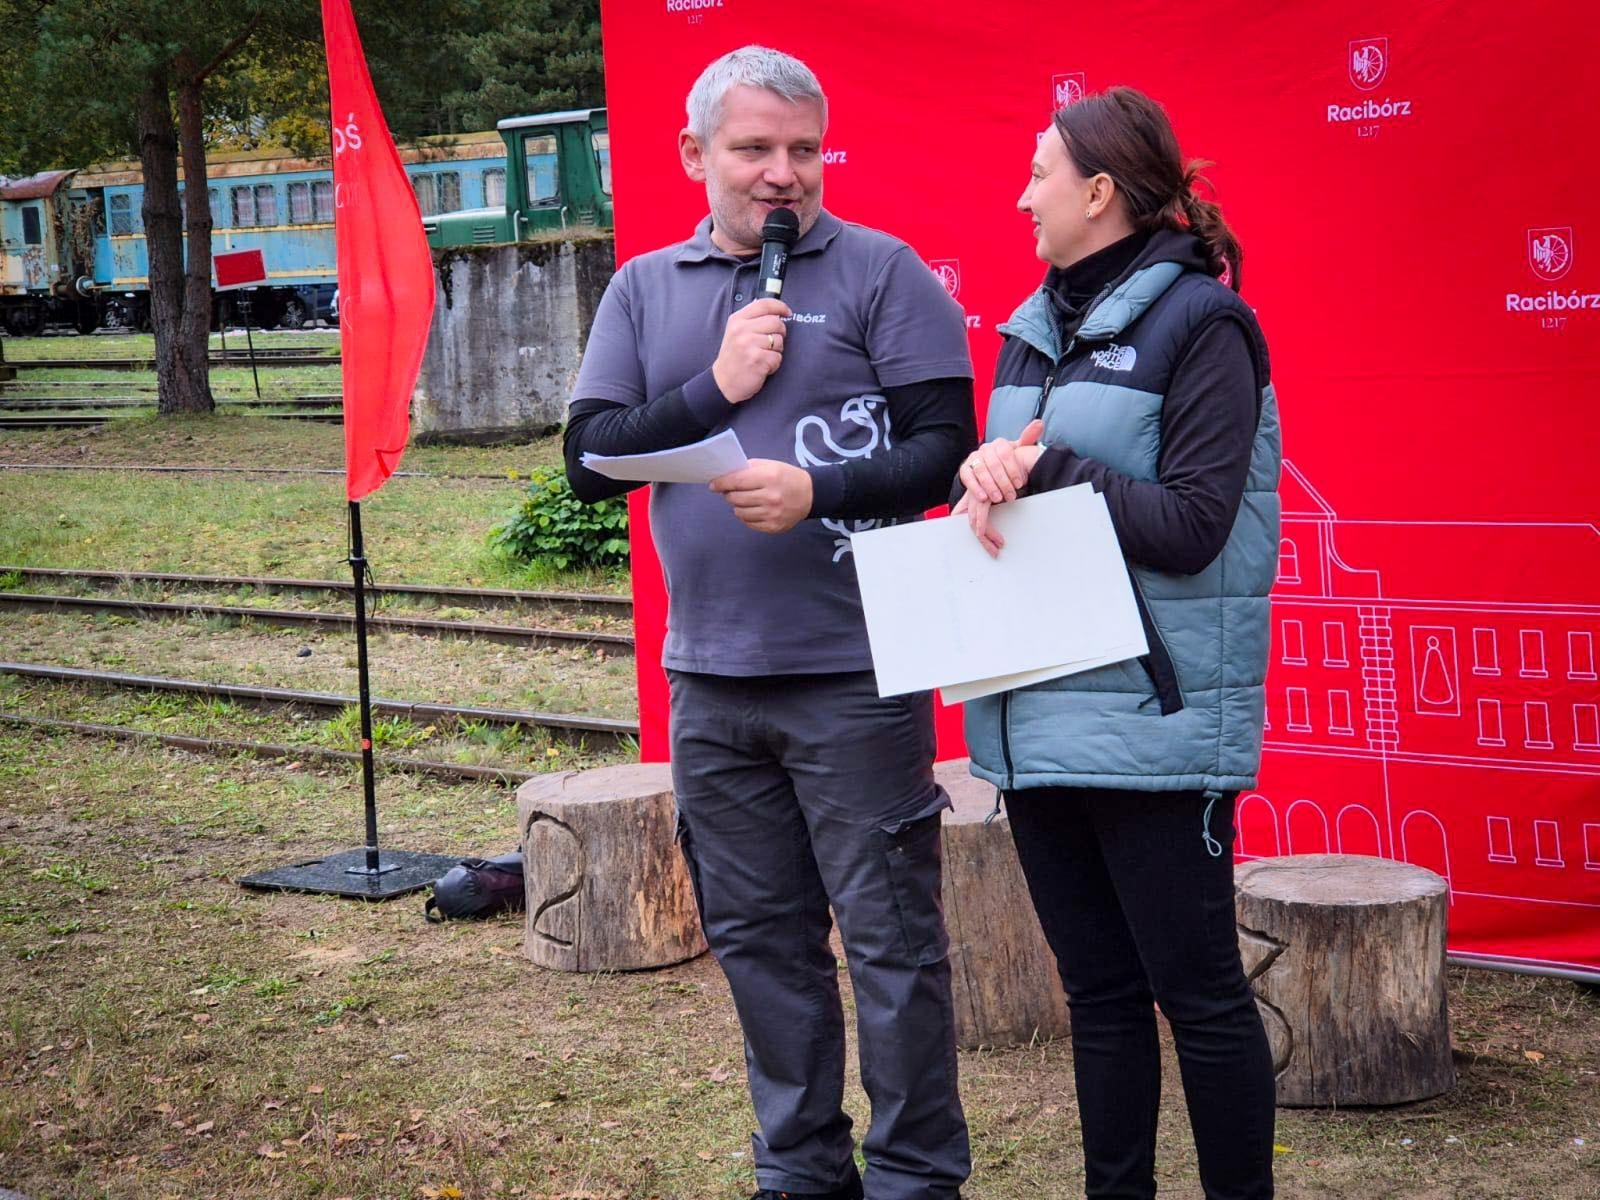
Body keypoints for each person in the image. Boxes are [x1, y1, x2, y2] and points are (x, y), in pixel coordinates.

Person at [564, 46, 976, 1200]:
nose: (783, 173)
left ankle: (912, 1178)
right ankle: (798, 1172)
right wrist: (715, 394)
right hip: (708, 677)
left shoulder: (884, 273)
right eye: (754, 149)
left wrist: (816, 492)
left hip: (856, 674)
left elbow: (943, 452)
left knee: (892, 945)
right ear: (696, 155)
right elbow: (588, 462)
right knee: (759, 942)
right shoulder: (646, 286)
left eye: (803, 149)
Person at [952, 86, 1281, 1200]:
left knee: (1198, 997)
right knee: (1095, 995)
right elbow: (1017, 508)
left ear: (1098, 191)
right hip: (1035, 715)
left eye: (1038, 172)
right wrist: (979, 490)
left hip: (1154, 721)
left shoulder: (1205, 325)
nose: (1020, 195)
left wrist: (1044, 470)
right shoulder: (1024, 333)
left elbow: (1193, 529)